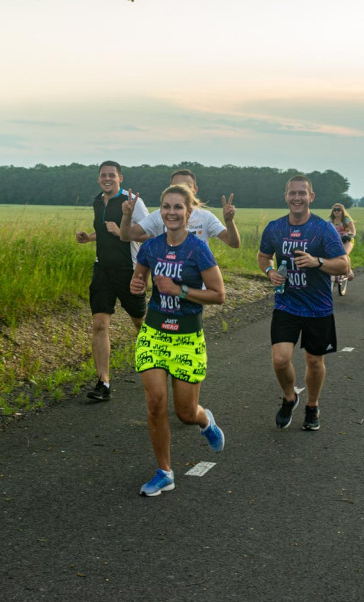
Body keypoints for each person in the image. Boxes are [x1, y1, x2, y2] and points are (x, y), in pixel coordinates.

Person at [130, 184, 226, 496]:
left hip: (186, 338)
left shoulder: (198, 249)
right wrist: (137, 284)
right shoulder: (151, 247)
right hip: (154, 334)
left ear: (188, 212)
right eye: (166, 207)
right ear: (160, 211)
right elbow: (140, 277)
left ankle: (205, 421)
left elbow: (218, 295)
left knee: (186, 413)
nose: (171, 212)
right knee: (156, 403)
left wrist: (180, 290)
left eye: (178, 207)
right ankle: (165, 472)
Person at [257, 175, 348, 432]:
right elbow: (263, 256)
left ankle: (312, 406)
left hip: (318, 307)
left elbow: (343, 264)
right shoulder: (275, 228)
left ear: (311, 197)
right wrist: (269, 272)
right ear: (286, 196)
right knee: (280, 359)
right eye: (292, 193)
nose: (297, 198)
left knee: (314, 361)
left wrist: (317, 261)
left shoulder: (323, 228)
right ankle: (289, 398)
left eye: (302, 193)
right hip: (286, 304)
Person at [74, 161, 148, 401]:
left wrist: (122, 231)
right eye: (103, 175)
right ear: (98, 179)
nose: (107, 179)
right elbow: (104, 230)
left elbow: (149, 232)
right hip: (102, 270)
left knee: (141, 324)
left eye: (111, 175)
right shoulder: (98, 200)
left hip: (129, 271)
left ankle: (155, 365)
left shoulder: (132, 200)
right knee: (99, 324)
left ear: (120, 178)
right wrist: (90, 237)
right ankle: (103, 382)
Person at [118, 168, 240, 249]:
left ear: (195, 190)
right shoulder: (159, 215)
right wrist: (127, 216)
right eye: (177, 186)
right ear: (170, 188)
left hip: (197, 285)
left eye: (187, 186)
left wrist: (229, 222)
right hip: (164, 283)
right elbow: (126, 236)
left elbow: (233, 243)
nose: (182, 190)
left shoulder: (205, 217)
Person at [328, 203, 357, 280]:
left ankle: (349, 271)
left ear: (342, 211)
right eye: (335, 210)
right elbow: (323, 229)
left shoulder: (347, 220)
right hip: (335, 241)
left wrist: (351, 235)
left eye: (338, 210)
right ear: (332, 211)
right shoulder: (330, 221)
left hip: (347, 240)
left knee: (344, 254)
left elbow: (353, 231)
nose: (336, 212)